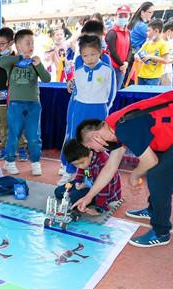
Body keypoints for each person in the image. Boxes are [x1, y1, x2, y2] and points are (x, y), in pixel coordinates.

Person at [74, 86, 173, 247]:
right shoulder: (113, 125)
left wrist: (135, 175)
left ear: (96, 137)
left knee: (159, 175)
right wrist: (88, 197)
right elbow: (110, 168)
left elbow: (150, 161)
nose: (94, 151)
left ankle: (161, 232)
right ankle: (154, 209)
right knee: (159, 166)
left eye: (90, 147)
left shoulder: (123, 128)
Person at [59, 35, 116, 185]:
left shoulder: (107, 70)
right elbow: (76, 91)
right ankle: (69, 171)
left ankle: (94, 174)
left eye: (93, 54)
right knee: (75, 139)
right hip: (80, 108)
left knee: (97, 141)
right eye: (85, 55)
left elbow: (112, 92)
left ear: (100, 53)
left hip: (99, 109)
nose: (89, 59)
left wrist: (105, 108)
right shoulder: (78, 70)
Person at [0, 29, 51, 176]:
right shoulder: (12, 61)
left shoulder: (35, 62)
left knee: (34, 136)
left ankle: (35, 162)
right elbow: (1, 61)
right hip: (15, 105)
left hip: (33, 105)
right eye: (28, 43)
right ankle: (9, 161)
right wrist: (20, 56)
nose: (31, 46)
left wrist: (39, 65)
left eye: (33, 43)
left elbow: (47, 79)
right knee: (14, 134)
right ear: (18, 45)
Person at [0, 27, 28, 162]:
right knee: (2, 124)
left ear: (11, 43)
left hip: (16, 99)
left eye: (2, 43)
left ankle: (21, 148)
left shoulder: (18, 58)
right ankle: (5, 147)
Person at [56, 139, 121, 215]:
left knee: (71, 198)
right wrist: (78, 182)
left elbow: (104, 190)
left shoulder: (102, 163)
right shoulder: (86, 158)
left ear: (90, 154)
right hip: (89, 183)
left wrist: (99, 209)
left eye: (81, 162)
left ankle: (92, 199)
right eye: (75, 164)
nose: (80, 166)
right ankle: (79, 193)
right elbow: (83, 170)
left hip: (101, 191)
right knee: (58, 192)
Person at [105, 5, 132, 89]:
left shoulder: (128, 32)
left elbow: (130, 49)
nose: (123, 18)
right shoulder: (112, 32)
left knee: (118, 89)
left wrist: (127, 62)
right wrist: (122, 65)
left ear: (129, 17)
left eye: (125, 16)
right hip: (113, 67)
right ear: (116, 16)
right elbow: (112, 51)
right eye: (120, 16)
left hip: (122, 67)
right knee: (111, 90)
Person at [136, 19, 169, 86]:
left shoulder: (163, 44)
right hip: (142, 75)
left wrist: (151, 57)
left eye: (149, 30)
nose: (147, 33)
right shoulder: (147, 43)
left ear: (156, 31)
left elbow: (166, 60)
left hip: (153, 77)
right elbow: (138, 53)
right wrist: (137, 57)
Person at [161, 21, 173, 86]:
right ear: (169, 31)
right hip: (160, 72)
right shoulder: (159, 42)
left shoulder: (172, 42)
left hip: (167, 71)